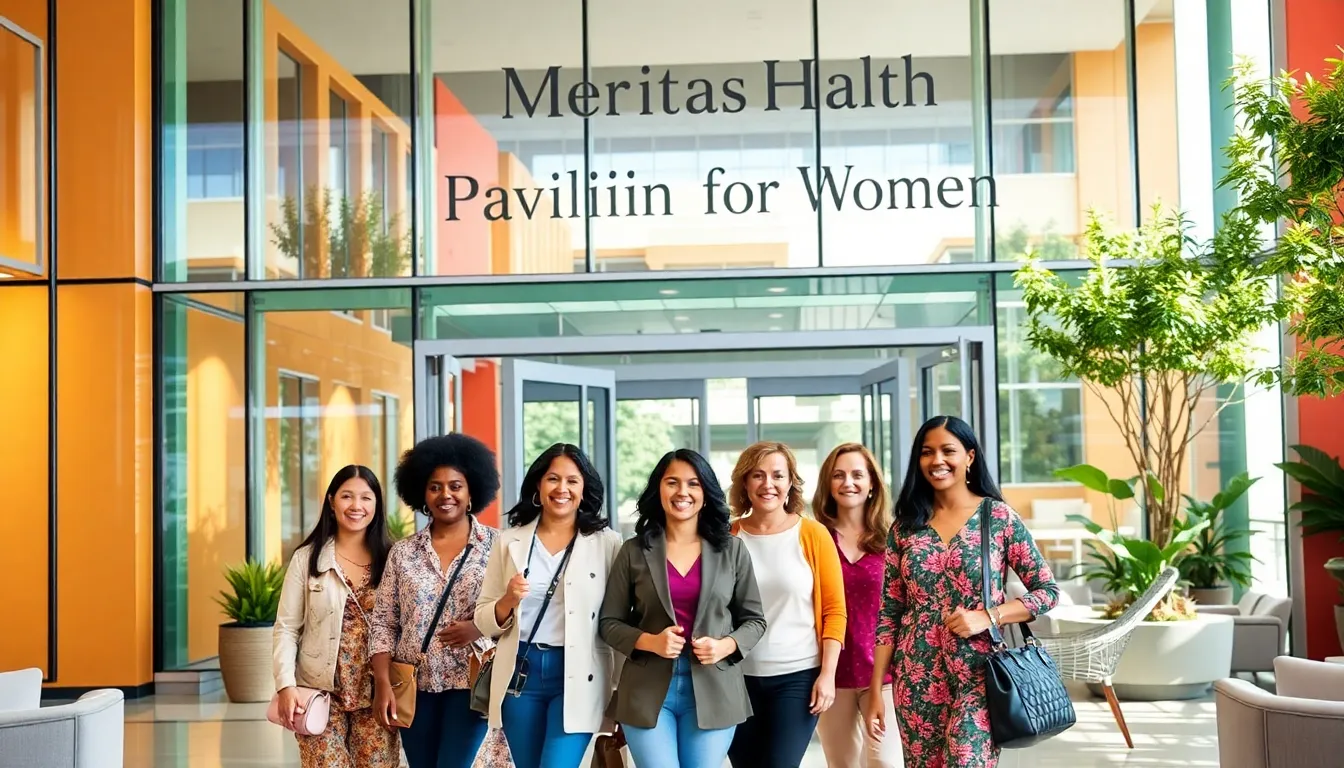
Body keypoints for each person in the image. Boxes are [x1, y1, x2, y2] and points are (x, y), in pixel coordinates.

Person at [865, 416, 1059, 768]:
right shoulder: (906, 526)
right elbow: (889, 612)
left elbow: (1047, 591)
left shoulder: (997, 517)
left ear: (970, 456)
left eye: (947, 450)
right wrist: (878, 688)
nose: (936, 460)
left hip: (980, 674)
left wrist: (988, 616)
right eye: (927, 452)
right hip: (915, 675)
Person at [599, 449, 768, 768]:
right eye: (672, 482)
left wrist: (725, 645)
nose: (682, 492)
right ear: (658, 489)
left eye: (693, 484)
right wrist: (650, 641)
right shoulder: (633, 550)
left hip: (714, 689)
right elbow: (609, 622)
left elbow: (754, 621)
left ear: (705, 492)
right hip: (647, 692)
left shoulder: (732, 550)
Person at [474, 443, 624, 768]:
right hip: (521, 674)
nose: (562, 489)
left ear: (584, 489)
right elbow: (484, 620)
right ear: (538, 486)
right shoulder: (509, 541)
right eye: (553, 479)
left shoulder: (607, 543)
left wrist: (624, 695)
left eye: (572, 480)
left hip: (579, 671)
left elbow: (622, 619)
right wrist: (508, 600)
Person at [369, 434, 512, 768]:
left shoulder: (499, 546)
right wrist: (382, 684)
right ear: (421, 492)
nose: (445, 495)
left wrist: (479, 627)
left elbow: (518, 612)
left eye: (455, 486)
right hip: (414, 685)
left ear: (472, 490)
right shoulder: (403, 553)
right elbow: (384, 622)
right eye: (435, 487)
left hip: (472, 685)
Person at [726, 441, 847, 768]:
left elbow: (835, 610)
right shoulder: (728, 537)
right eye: (758, 475)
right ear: (745, 482)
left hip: (798, 677)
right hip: (737, 678)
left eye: (778, 476)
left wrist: (828, 674)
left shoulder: (813, 534)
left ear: (790, 482)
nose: (768, 484)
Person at [273, 464, 400, 768]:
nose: (356, 506)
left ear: (377, 505)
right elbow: (287, 628)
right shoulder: (308, 559)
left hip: (376, 695)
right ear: (331, 501)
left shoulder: (394, 558)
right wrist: (285, 685)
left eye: (366, 498)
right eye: (347, 496)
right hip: (319, 693)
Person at [812, 443, 904, 768]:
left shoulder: (894, 537)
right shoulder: (814, 536)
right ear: (828, 484)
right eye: (838, 475)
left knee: (886, 763)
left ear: (872, 484)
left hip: (884, 674)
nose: (847, 482)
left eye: (856, 475)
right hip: (829, 674)